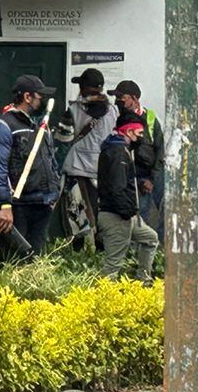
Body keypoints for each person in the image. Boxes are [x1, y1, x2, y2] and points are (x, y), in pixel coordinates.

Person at [0, 74, 59, 261]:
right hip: (17, 207)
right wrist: (4, 205)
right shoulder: (2, 126)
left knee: (35, 263)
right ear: (28, 97)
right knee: (13, 262)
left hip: (42, 204)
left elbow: (50, 160)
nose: (43, 100)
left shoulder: (40, 127)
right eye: (40, 96)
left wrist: (54, 193)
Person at [95, 107, 159, 282]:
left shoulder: (118, 149)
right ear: (129, 131)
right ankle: (105, 301)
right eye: (139, 132)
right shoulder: (117, 153)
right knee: (113, 264)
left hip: (126, 214)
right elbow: (116, 188)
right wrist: (127, 212)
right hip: (118, 215)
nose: (141, 137)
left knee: (150, 239)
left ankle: (143, 281)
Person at [60, 68, 115, 247]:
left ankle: (78, 255)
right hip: (104, 171)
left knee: (76, 215)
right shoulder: (113, 111)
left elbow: (63, 139)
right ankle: (101, 252)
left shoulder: (74, 110)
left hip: (78, 170)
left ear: (83, 88)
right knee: (103, 213)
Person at [111, 80, 164, 232]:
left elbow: (161, 150)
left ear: (134, 98)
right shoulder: (118, 118)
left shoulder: (151, 118)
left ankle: (162, 248)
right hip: (134, 175)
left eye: (122, 97)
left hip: (154, 173)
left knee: (167, 210)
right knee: (140, 215)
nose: (118, 101)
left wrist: (152, 178)